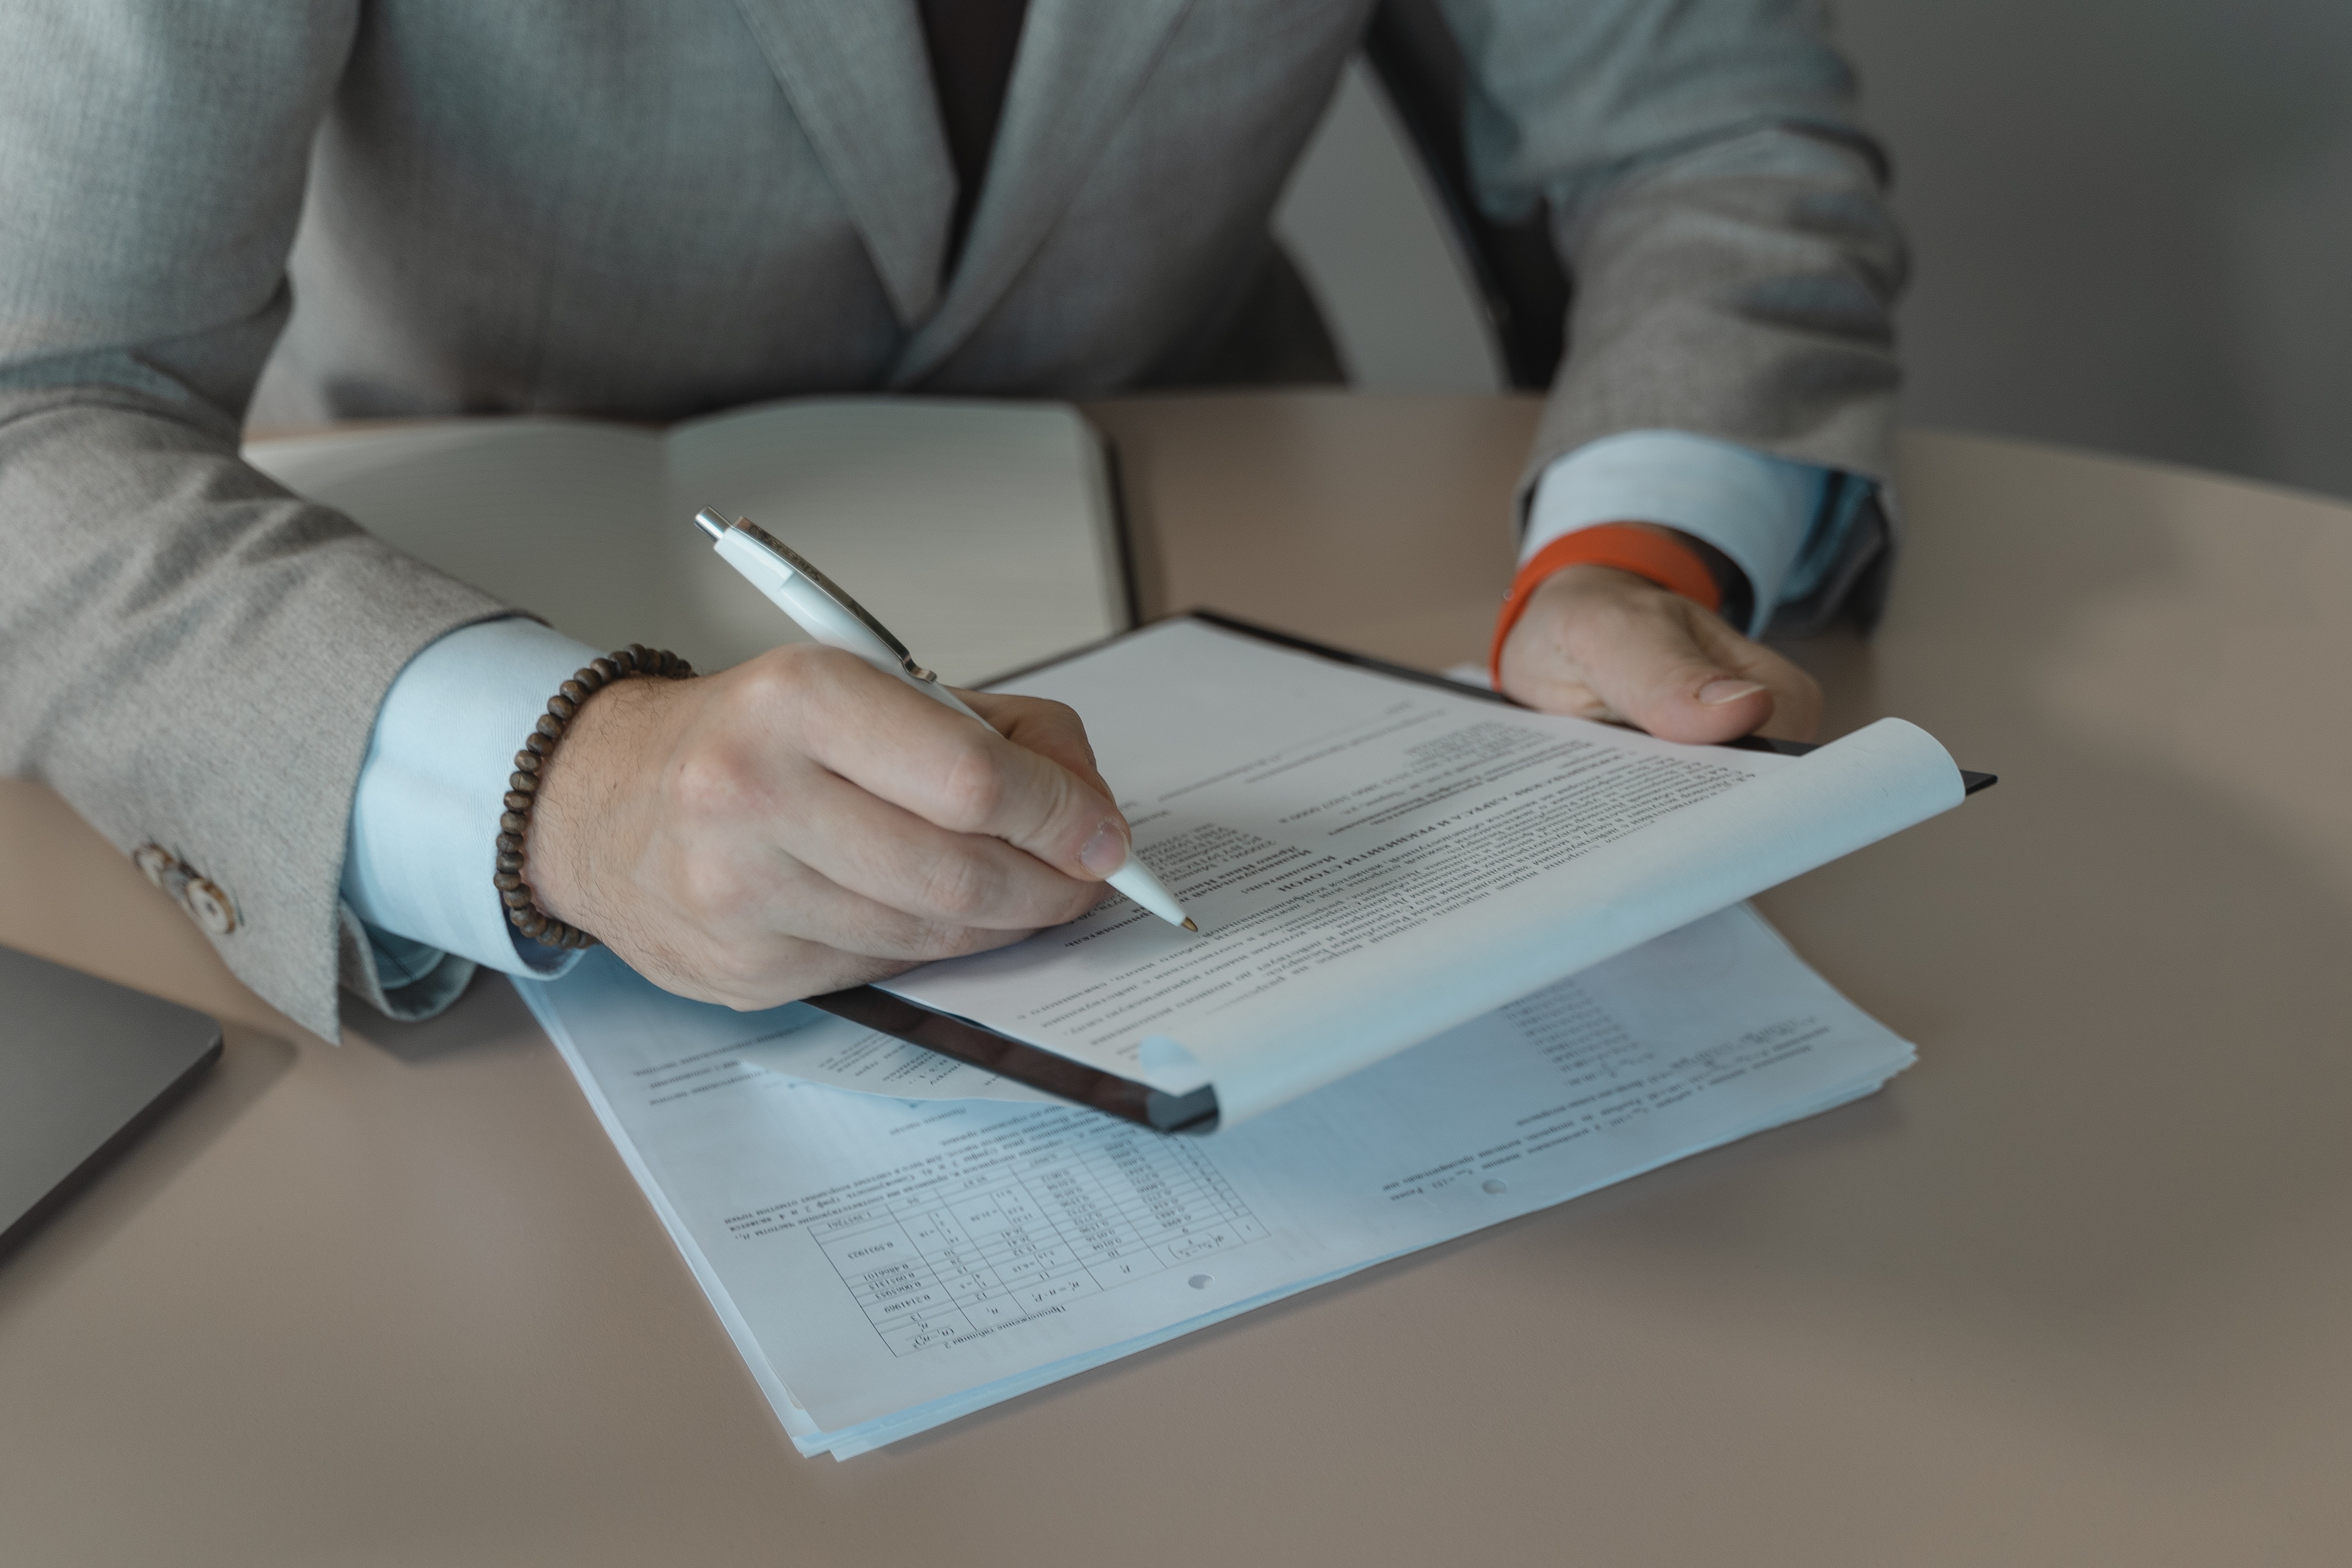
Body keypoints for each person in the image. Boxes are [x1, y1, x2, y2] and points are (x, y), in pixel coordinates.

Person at [0, 0, 1904, 1042]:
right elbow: (33, 399)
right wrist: (557, 793)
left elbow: (1703, 133)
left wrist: (1634, 554)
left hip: (1224, 550)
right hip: (455, 600)